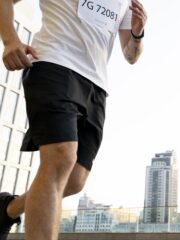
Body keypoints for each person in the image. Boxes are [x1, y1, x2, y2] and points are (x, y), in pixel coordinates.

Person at [0, 0, 146, 239]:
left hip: (96, 85)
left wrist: (138, 34)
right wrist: (10, 40)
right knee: (61, 157)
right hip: (53, 62)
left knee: (75, 180)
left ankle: (7, 209)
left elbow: (130, 56)